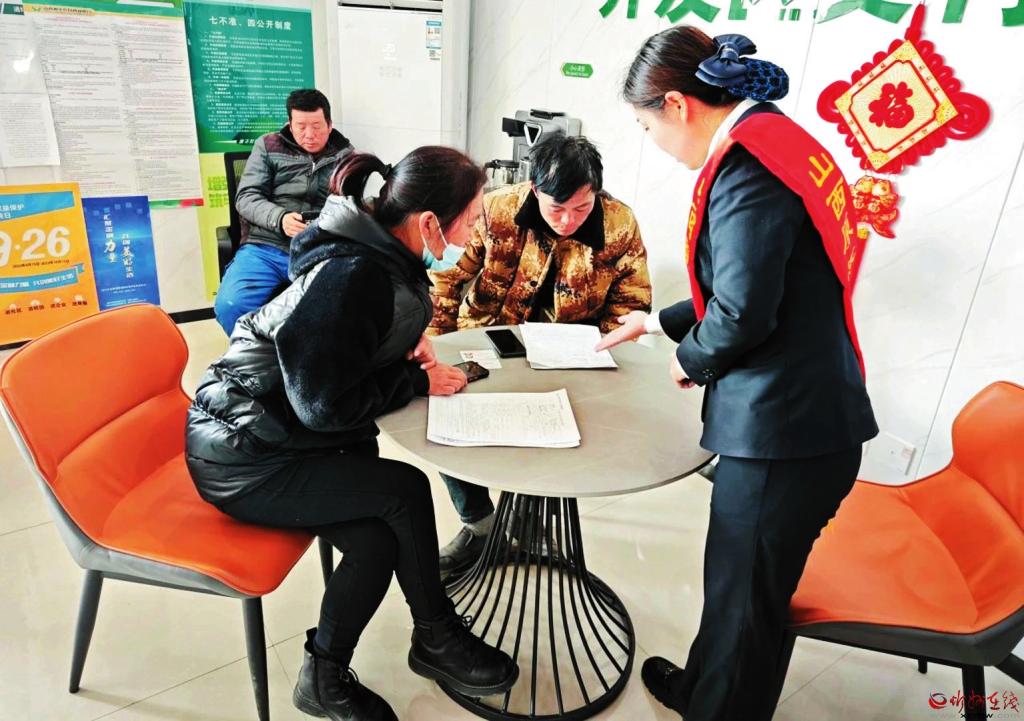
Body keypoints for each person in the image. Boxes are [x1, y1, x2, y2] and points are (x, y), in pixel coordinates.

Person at [596, 29, 879, 721]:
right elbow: (754, 284)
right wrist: (655, 322)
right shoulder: (777, 139)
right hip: (808, 414)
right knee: (738, 592)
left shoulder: (749, 169)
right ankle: (701, 689)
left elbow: (744, 312)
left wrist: (688, 358)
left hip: (786, 432)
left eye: (646, 127)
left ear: (677, 104)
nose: (655, 143)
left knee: (747, 604)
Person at [186, 146, 518, 721]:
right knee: (405, 490)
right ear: (430, 223)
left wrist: (397, 350)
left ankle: (323, 676)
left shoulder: (375, 254)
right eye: (470, 218)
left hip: (270, 434)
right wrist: (414, 381)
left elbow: (336, 355)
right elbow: (322, 404)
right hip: (243, 456)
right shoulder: (354, 274)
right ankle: (436, 636)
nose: (476, 231)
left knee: (377, 541)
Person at [427, 133, 653, 578]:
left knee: (558, 433)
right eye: (556, 209)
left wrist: (605, 359)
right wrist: (438, 346)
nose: (568, 221)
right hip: (487, 339)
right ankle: (480, 525)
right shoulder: (497, 209)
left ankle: (528, 522)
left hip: (573, 356)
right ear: (534, 190)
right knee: (445, 423)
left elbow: (631, 304)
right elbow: (446, 279)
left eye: (581, 209)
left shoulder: (619, 223)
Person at [214, 88, 353, 335]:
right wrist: (280, 219)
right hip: (266, 246)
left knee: (335, 308)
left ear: (330, 125)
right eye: (301, 126)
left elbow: (349, 205)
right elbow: (246, 197)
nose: (309, 135)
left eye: (317, 126)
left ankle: (297, 354)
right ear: (290, 124)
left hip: (316, 249)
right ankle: (256, 353)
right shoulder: (268, 145)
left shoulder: (345, 155)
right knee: (231, 305)